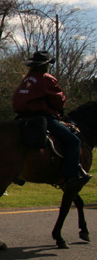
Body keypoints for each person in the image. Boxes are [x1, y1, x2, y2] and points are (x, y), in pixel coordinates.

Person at [13, 50, 91, 190]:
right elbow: (59, 100)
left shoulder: (26, 79)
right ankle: (72, 174)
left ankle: (19, 175)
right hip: (43, 117)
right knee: (74, 140)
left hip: (22, 117)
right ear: (46, 65)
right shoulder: (46, 77)